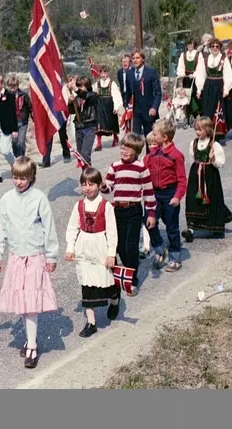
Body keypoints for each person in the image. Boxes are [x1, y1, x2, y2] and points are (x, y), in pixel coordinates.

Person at [0, 157, 59, 369]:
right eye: (15, 177)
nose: (19, 182)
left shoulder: (39, 198)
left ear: (31, 177)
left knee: (30, 304)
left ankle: (32, 346)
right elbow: (0, 227)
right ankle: (31, 339)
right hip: (16, 256)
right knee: (21, 303)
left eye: (23, 178)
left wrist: (51, 256)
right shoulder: (6, 199)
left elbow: (49, 228)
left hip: (35, 255)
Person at [64, 166, 120, 337]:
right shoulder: (79, 205)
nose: (88, 188)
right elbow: (72, 228)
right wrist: (70, 248)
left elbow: (112, 231)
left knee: (107, 281)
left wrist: (111, 253)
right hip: (84, 247)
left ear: (98, 184)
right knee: (87, 283)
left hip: (101, 247)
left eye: (91, 184)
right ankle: (91, 322)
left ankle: (115, 300)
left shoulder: (106, 206)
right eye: (84, 184)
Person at [104, 133, 156, 296]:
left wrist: (151, 213)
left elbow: (148, 192)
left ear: (137, 151)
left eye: (129, 148)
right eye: (123, 147)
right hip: (118, 210)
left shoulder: (141, 168)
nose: (124, 150)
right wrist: (102, 185)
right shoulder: (115, 166)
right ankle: (128, 268)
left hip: (134, 210)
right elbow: (108, 187)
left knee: (131, 245)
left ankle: (131, 279)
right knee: (119, 246)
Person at [145, 119, 186, 272]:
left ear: (165, 137)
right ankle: (160, 248)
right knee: (149, 221)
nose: (152, 137)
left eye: (155, 134)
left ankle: (175, 257)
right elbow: (144, 169)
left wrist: (177, 196)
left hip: (170, 194)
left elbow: (182, 180)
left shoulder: (176, 155)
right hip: (154, 194)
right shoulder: (152, 154)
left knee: (172, 227)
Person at [183, 117, 232, 241]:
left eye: (200, 130)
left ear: (208, 129)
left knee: (212, 199)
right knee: (193, 200)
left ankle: (215, 226)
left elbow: (220, 163)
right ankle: (191, 229)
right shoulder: (193, 143)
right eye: (196, 130)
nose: (197, 132)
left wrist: (213, 158)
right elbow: (192, 158)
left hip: (210, 175)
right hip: (196, 174)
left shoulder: (214, 144)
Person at [194, 39, 232, 138]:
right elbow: (201, 74)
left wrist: (226, 88)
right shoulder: (205, 58)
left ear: (220, 48)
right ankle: (207, 133)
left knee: (219, 110)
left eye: (217, 46)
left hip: (219, 86)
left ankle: (217, 135)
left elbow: (228, 74)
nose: (215, 48)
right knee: (207, 110)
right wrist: (199, 88)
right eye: (213, 46)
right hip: (208, 87)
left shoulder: (224, 58)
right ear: (210, 48)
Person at [0, 76, 19, 182]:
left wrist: (15, 129)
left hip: (6, 125)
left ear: (2, 84)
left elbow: (13, 113)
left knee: (6, 150)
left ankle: (16, 167)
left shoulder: (9, 96)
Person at [124, 51, 163, 136]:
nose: (135, 60)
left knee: (150, 139)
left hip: (149, 111)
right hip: (135, 112)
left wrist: (154, 107)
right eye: (133, 58)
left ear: (143, 59)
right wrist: (126, 107)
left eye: (138, 58)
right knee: (134, 139)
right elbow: (128, 93)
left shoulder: (151, 72)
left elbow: (158, 93)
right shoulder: (129, 73)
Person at [92, 63, 124, 149]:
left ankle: (115, 137)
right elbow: (91, 92)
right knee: (99, 124)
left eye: (105, 73)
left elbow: (116, 95)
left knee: (111, 122)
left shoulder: (112, 84)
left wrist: (116, 106)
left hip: (109, 105)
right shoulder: (97, 84)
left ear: (108, 73)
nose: (103, 75)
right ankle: (99, 143)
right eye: (101, 73)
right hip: (100, 105)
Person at [71, 75, 100, 164]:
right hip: (79, 127)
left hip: (89, 127)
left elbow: (86, 96)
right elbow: (72, 111)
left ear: (87, 86)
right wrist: (70, 103)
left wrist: (76, 89)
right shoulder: (77, 98)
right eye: (78, 86)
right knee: (80, 157)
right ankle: (85, 175)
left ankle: (90, 176)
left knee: (85, 155)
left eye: (81, 86)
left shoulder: (93, 95)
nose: (79, 88)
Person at [175, 38, 202, 119]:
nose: (189, 45)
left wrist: (195, 74)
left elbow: (200, 67)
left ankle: (196, 112)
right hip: (186, 78)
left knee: (194, 94)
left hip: (195, 78)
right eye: (188, 44)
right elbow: (181, 66)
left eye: (191, 44)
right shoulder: (183, 55)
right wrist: (181, 73)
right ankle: (188, 114)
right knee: (186, 94)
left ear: (194, 45)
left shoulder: (198, 54)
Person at [8, 76, 31, 159]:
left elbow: (30, 107)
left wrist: (34, 118)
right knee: (14, 142)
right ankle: (17, 157)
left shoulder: (23, 95)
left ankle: (21, 159)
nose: (12, 88)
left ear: (17, 85)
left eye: (14, 86)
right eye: (10, 86)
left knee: (21, 142)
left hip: (23, 121)